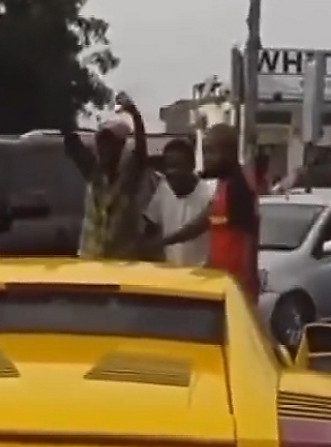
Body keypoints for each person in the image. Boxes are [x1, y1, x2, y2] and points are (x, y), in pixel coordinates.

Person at [160, 124, 259, 301]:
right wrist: (164, 241)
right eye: (204, 152)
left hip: (235, 287)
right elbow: (202, 223)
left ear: (229, 152)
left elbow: (249, 240)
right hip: (219, 281)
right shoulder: (223, 185)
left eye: (211, 152)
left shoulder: (239, 187)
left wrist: (246, 288)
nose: (205, 159)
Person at [62, 94, 151, 259]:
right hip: (90, 257)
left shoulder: (128, 178)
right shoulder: (93, 173)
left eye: (110, 143)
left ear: (121, 146)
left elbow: (140, 153)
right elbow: (72, 144)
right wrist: (65, 110)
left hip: (122, 259)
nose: (103, 148)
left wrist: (135, 115)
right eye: (100, 142)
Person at [143, 138, 214, 266]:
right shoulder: (163, 190)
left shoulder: (209, 193)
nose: (172, 171)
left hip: (203, 275)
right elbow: (150, 227)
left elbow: (198, 227)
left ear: (192, 164)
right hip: (173, 276)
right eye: (169, 166)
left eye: (179, 165)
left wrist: (163, 242)